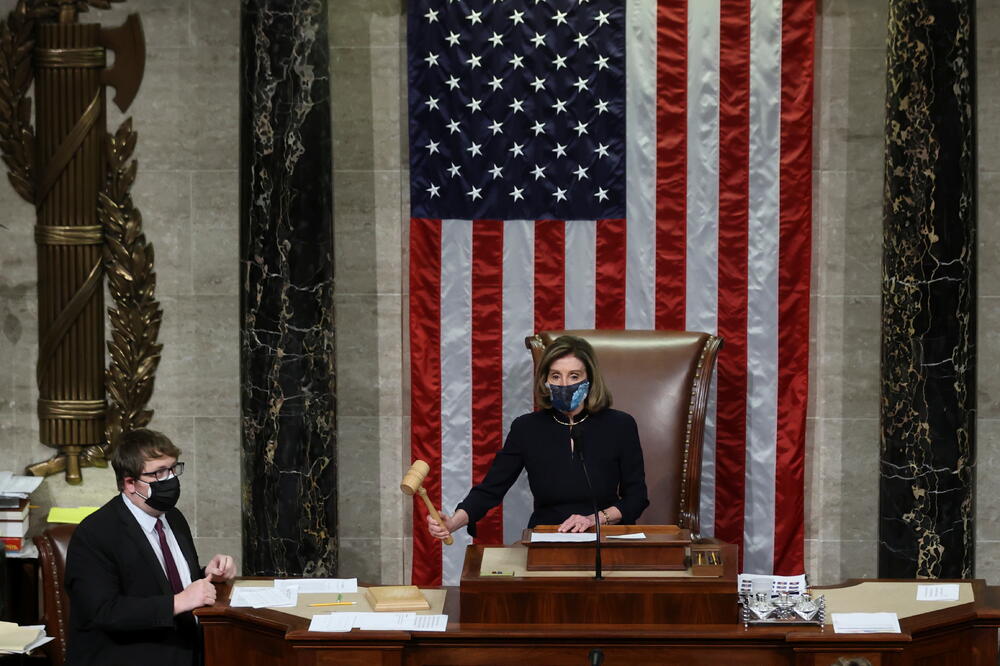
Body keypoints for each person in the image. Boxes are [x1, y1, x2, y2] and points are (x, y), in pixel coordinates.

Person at [427, 335, 649, 540]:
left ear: (590, 379)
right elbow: (491, 489)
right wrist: (454, 521)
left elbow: (637, 497)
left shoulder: (620, 425)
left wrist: (594, 519)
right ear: (545, 381)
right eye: (555, 376)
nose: (564, 384)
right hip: (549, 536)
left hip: (606, 536)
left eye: (574, 376)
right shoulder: (527, 428)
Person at [65, 428, 237, 666]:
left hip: (190, 648)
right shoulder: (94, 534)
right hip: (132, 655)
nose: (170, 479)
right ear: (130, 484)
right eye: (159, 473)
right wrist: (178, 603)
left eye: (173, 469)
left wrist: (208, 574)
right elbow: (102, 611)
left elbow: (166, 581)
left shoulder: (173, 517)